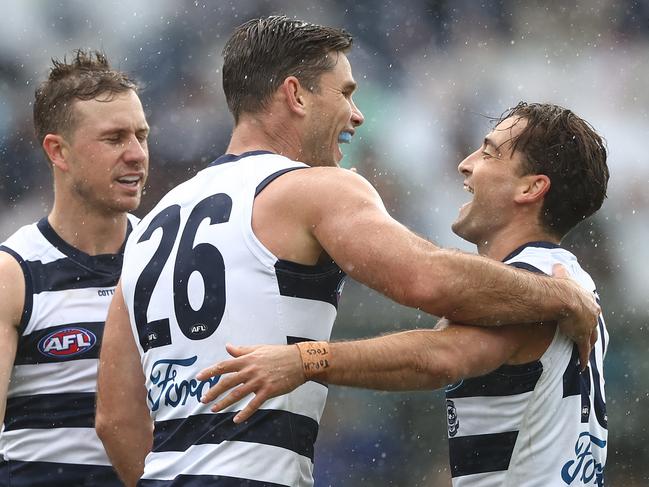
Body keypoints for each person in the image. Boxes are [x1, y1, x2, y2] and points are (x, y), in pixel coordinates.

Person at [95, 16, 599, 487]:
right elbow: (429, 283)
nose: (357, 114)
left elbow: (114, 417)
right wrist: (564, 298)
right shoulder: (319, 188)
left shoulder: (147, 227)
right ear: (295, 94)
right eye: (346, 93)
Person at [199, 102, 610, 486]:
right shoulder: (562, 284)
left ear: (531, 188)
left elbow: (439, 357)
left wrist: (303, 359)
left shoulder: (535, 284)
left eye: (488, 153)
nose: (466, 165)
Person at [0, 50, 149, 486]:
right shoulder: (14, 274)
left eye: (142, 135)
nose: (137, 155)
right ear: (58, 151)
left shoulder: (167, 255)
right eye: (115, 138)